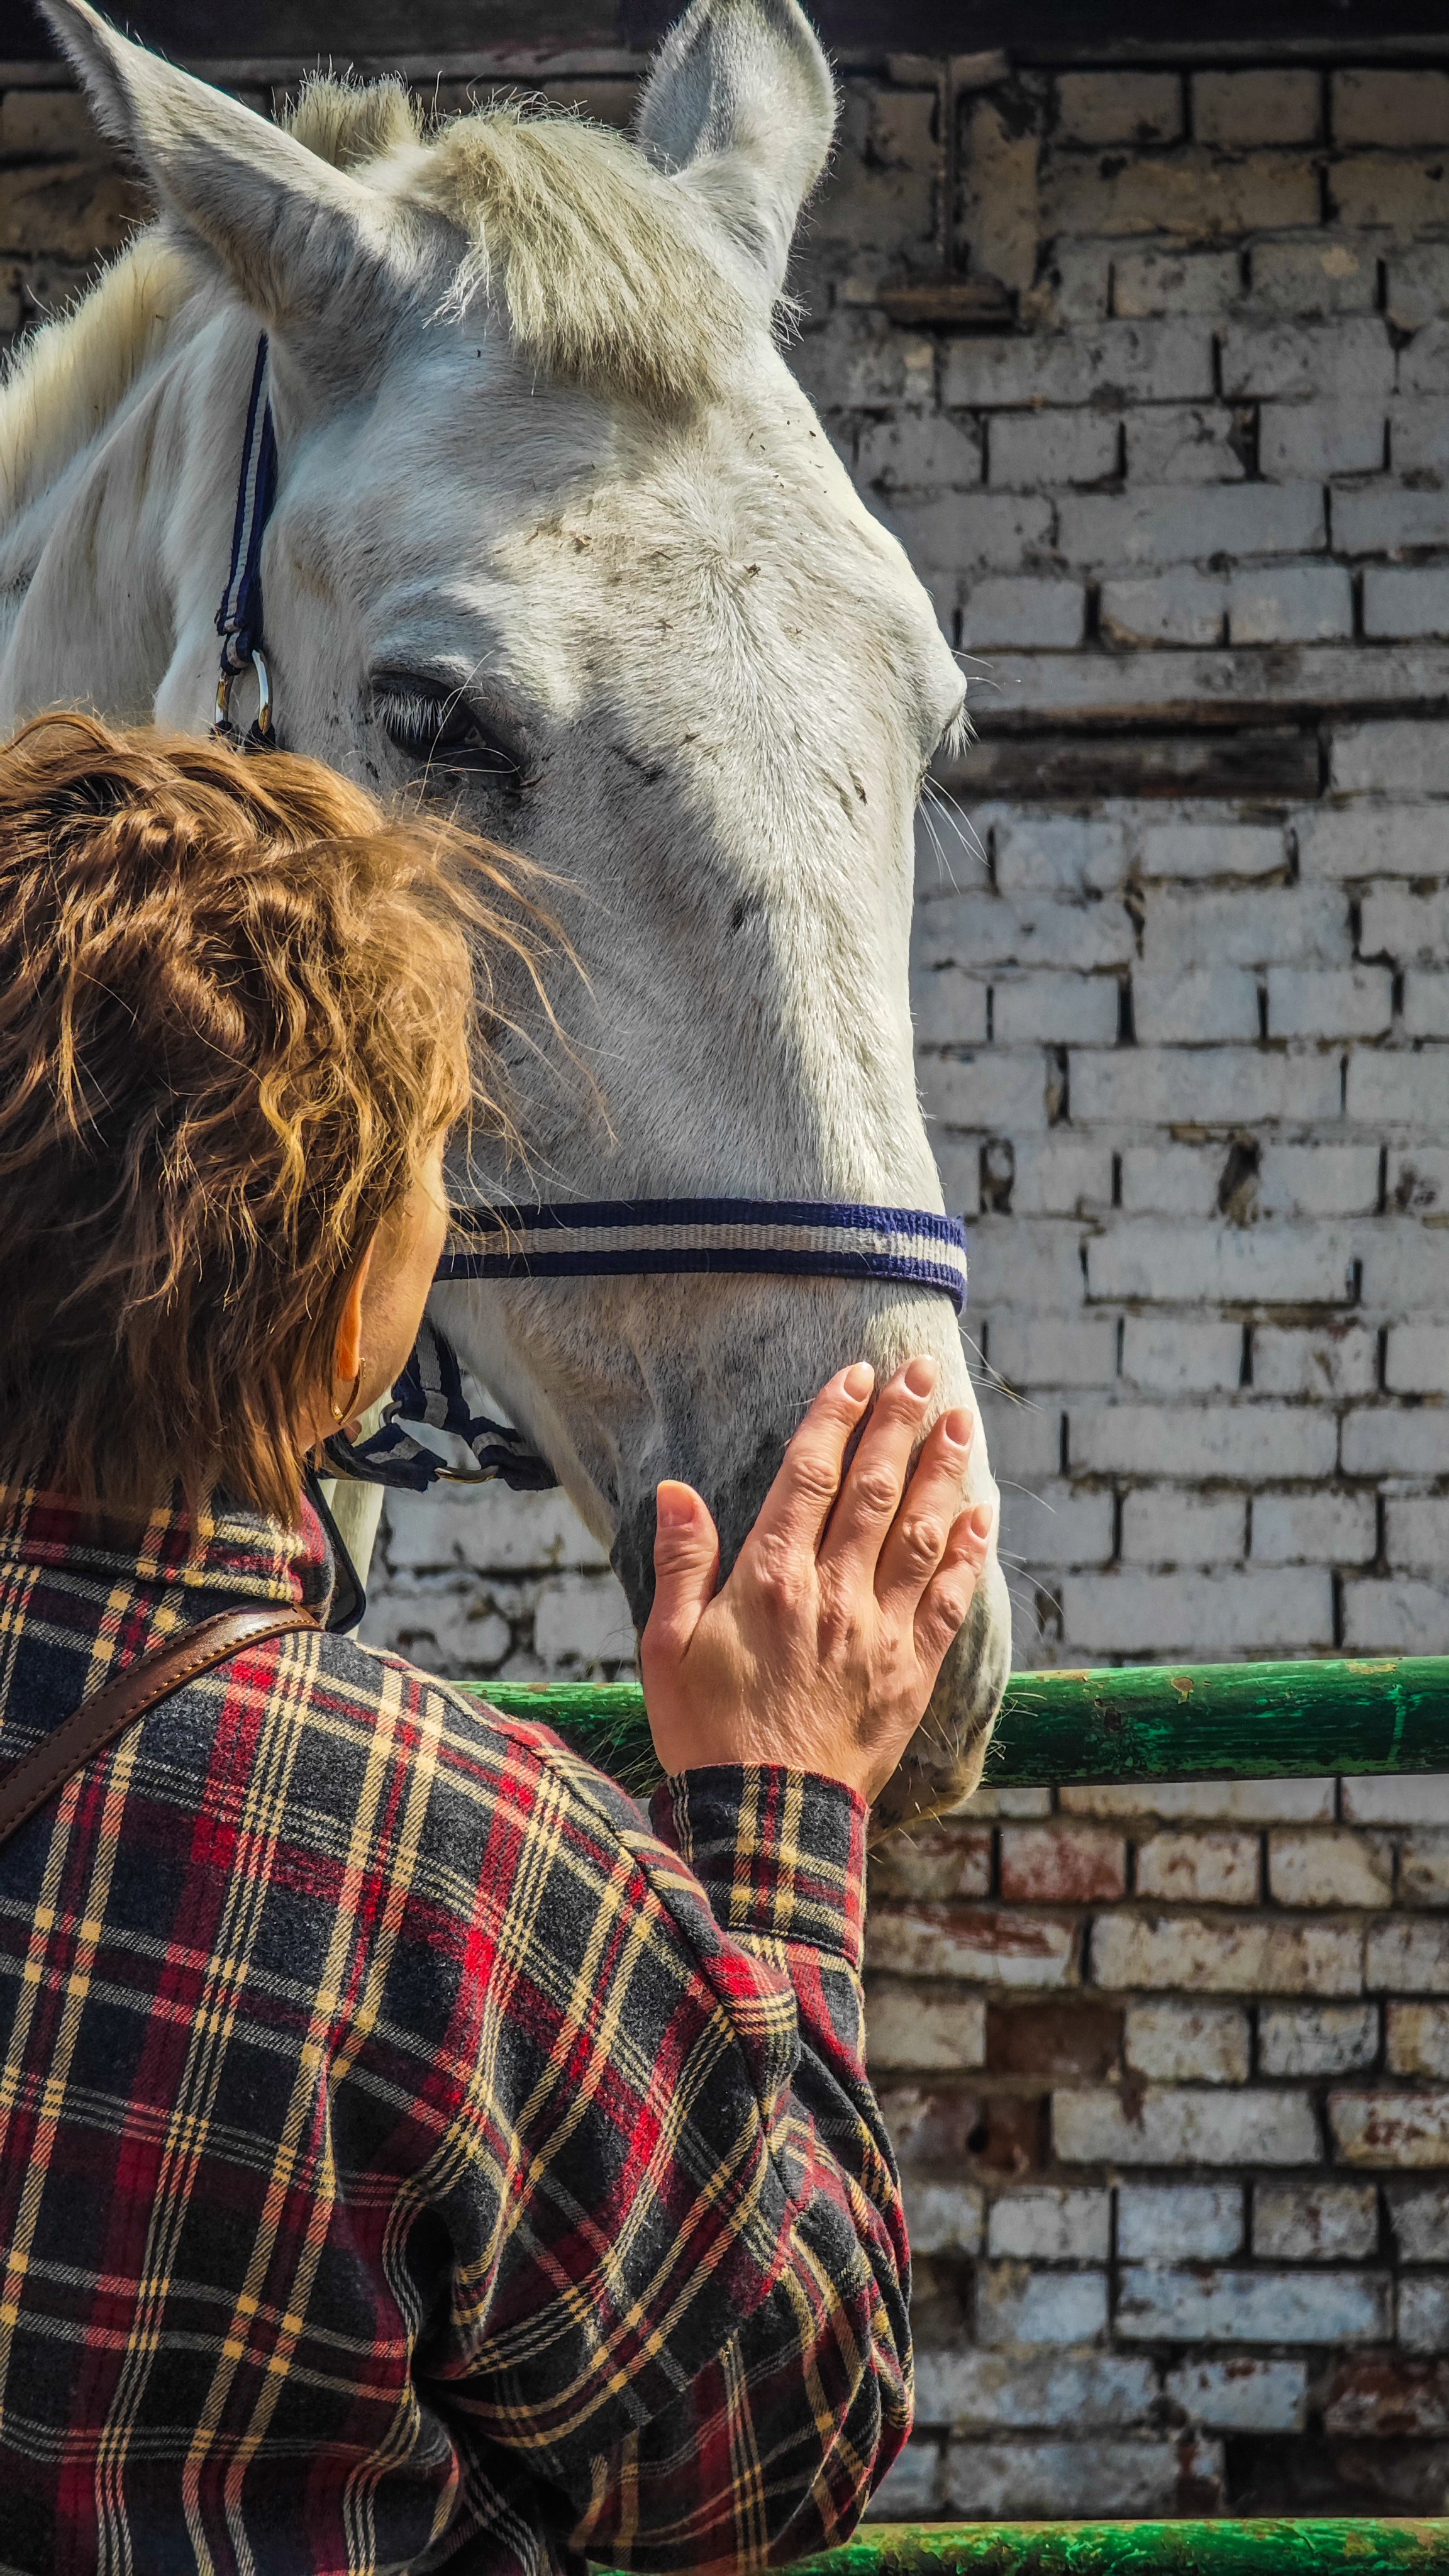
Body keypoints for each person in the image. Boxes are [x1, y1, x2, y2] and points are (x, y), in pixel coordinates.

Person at [0, 714, 994, 2575]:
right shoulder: (451, 1861)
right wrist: (774, 1828)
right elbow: (773, 2436)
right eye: (429, 1164)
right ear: (333, 1305)